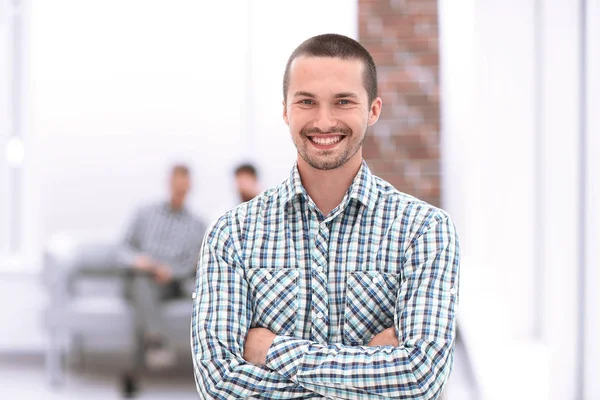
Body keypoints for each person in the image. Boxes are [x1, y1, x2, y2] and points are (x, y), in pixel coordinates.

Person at [191, 34, 460, 399]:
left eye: (343, 102)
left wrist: (270, 350)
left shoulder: (424, 230)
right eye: (306, 102)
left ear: (373, 110)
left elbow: (418, 380)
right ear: (285, 110)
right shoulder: (232, 233)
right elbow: (219, 384)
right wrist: (372, 364)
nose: (324, 121)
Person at [119, 164, 206, 369]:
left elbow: (195, 262)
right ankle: (156, 340)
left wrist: (171, 272)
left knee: (149, 288)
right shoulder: (145, 213)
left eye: (183, 187)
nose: (179, 191)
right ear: (169, 182)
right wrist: (139, 261)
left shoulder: (197, 224)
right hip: (141, 277)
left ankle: (146, 352)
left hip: (171, 283)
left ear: (189, 187)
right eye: (176, 185)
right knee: (141, 282)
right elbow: (122, 248)